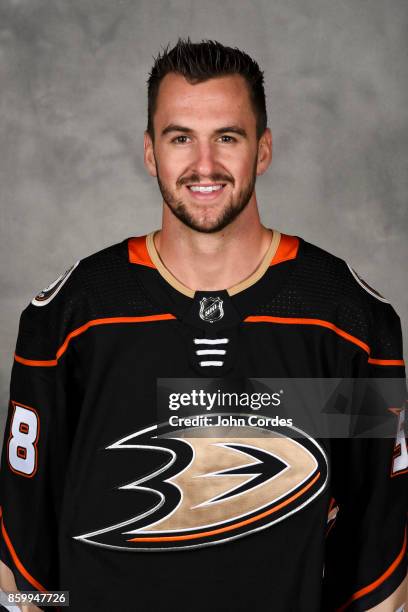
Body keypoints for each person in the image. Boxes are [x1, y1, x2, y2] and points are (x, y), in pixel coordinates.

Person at [0, 37, 406, 612]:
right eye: (180, 138)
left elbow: (379, 575)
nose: (205, 166)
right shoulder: (74, 319)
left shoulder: (343, 320)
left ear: (263, 150)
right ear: (150, 153)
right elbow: (23, 571)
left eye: (228, 138)